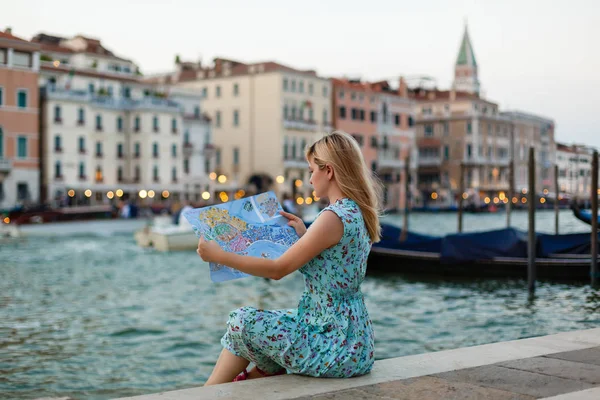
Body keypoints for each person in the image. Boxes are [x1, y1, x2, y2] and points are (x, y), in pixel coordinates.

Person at [196, 131, 382, 385]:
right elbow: (335, 263)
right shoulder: (353, 211)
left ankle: (210, 392)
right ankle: (240, 382)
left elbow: (277, 269)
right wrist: (305, 235)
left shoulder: (332, 217)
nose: (309, 179)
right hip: (353, 339)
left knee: (242, 322)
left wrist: (220, 255)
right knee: (266, 323)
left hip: (335, 344)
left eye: (311, 171)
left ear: (328, 171)